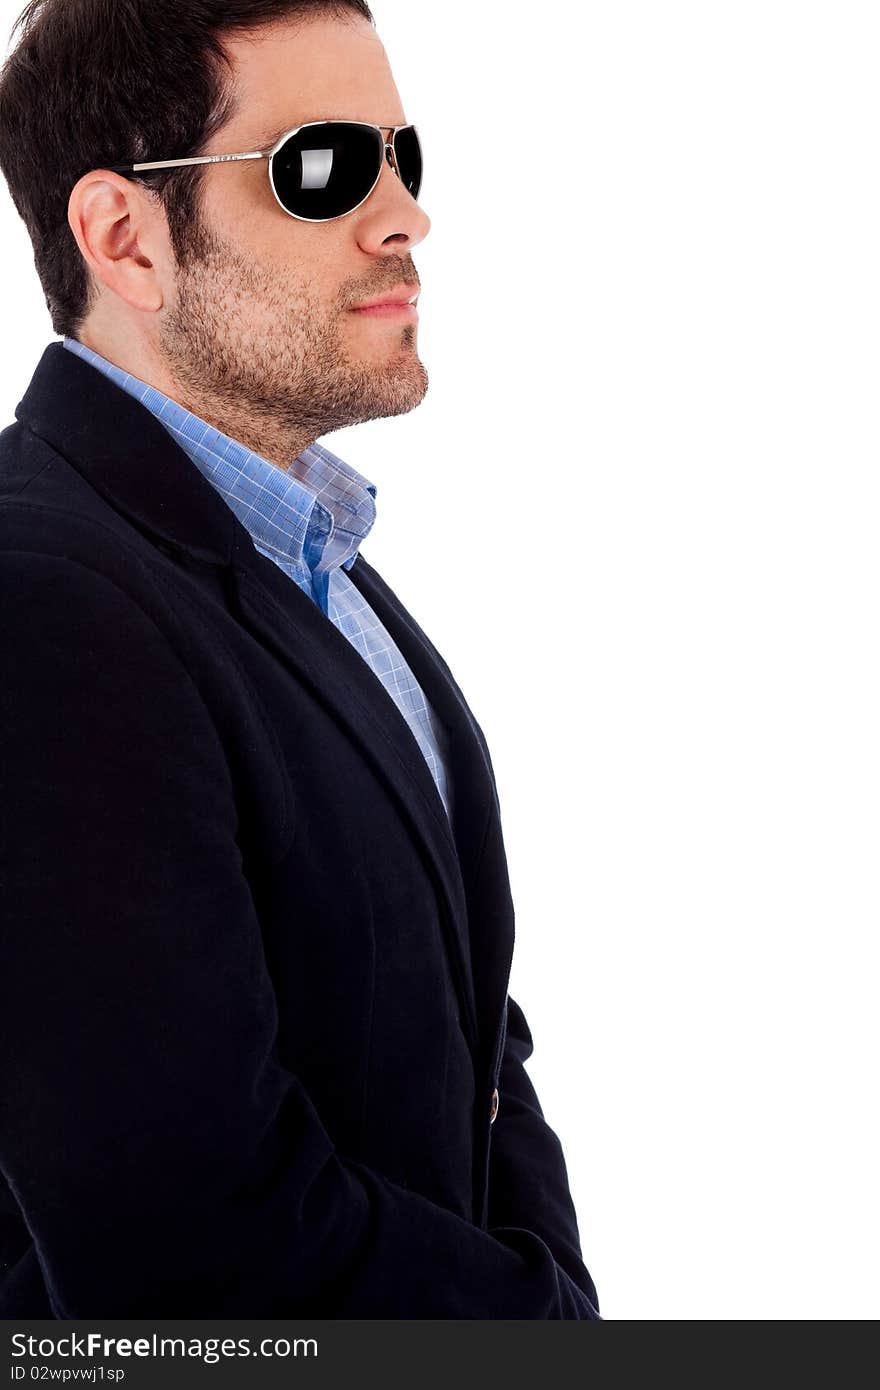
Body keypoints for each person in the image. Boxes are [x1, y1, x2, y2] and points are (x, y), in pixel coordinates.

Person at [0, 0, 600, 1319]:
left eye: (404, 159)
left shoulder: (320, 565)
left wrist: (556, 1290)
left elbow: (472, 1021)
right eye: (322, 167)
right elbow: (189, 1246)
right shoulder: (43, 598)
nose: (404, 220)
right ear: (125, 239)